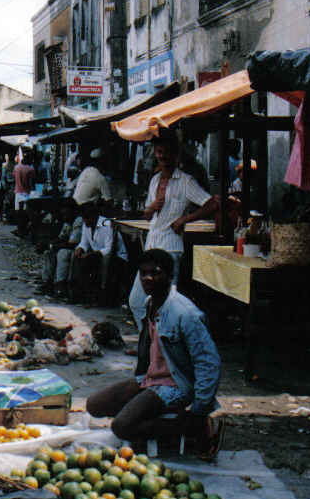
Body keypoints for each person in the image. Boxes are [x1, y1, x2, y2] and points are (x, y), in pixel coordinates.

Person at [87, 249, 223, 458]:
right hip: (149, 379)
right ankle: (151, 418)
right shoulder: (149, 303)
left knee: (122, 427)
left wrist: (199, 408)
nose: (148, 278)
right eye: (143, 273)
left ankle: (193, 427)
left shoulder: (184, 313)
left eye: (155, 273)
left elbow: (208, 362)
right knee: (94, 405)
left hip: (176, 385)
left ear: (169, 276)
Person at [127, 135, 218, 329]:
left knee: (166, 304)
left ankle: (164, 349)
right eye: (159, 153)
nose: (163, 156)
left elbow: (212, 204)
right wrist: (151, 208)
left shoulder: (186, 181)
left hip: (170, 249)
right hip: (152, 247)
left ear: (176, 155)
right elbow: (147, 216)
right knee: (137, 302)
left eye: (167, 152)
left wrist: (185, 219)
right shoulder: (154, 181)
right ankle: (150, 343)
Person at [73, 201, 128, 307]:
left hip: (116, 256)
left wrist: (92, 254)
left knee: (102, 260)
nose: (85, 221)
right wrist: (80, 248)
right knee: (77, 257)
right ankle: (78, 292)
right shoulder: (87, 224)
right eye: (84, 218)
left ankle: (102, 295)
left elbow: (109, 249)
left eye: (87, 218)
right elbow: (84, 242)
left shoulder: (107, 225)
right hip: (97, 254)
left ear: (94, 217)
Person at [36, 198, 82, 297]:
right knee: (49, 252)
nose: (64, 216)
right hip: (68, 246)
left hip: (78, 248)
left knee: (63, 253)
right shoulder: (67, 221)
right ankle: (48, 282)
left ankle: (60, 285)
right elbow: (61, 238)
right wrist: (48, 244)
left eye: (66, 213)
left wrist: (53, 245)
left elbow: (72, 243)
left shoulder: (79, 221)